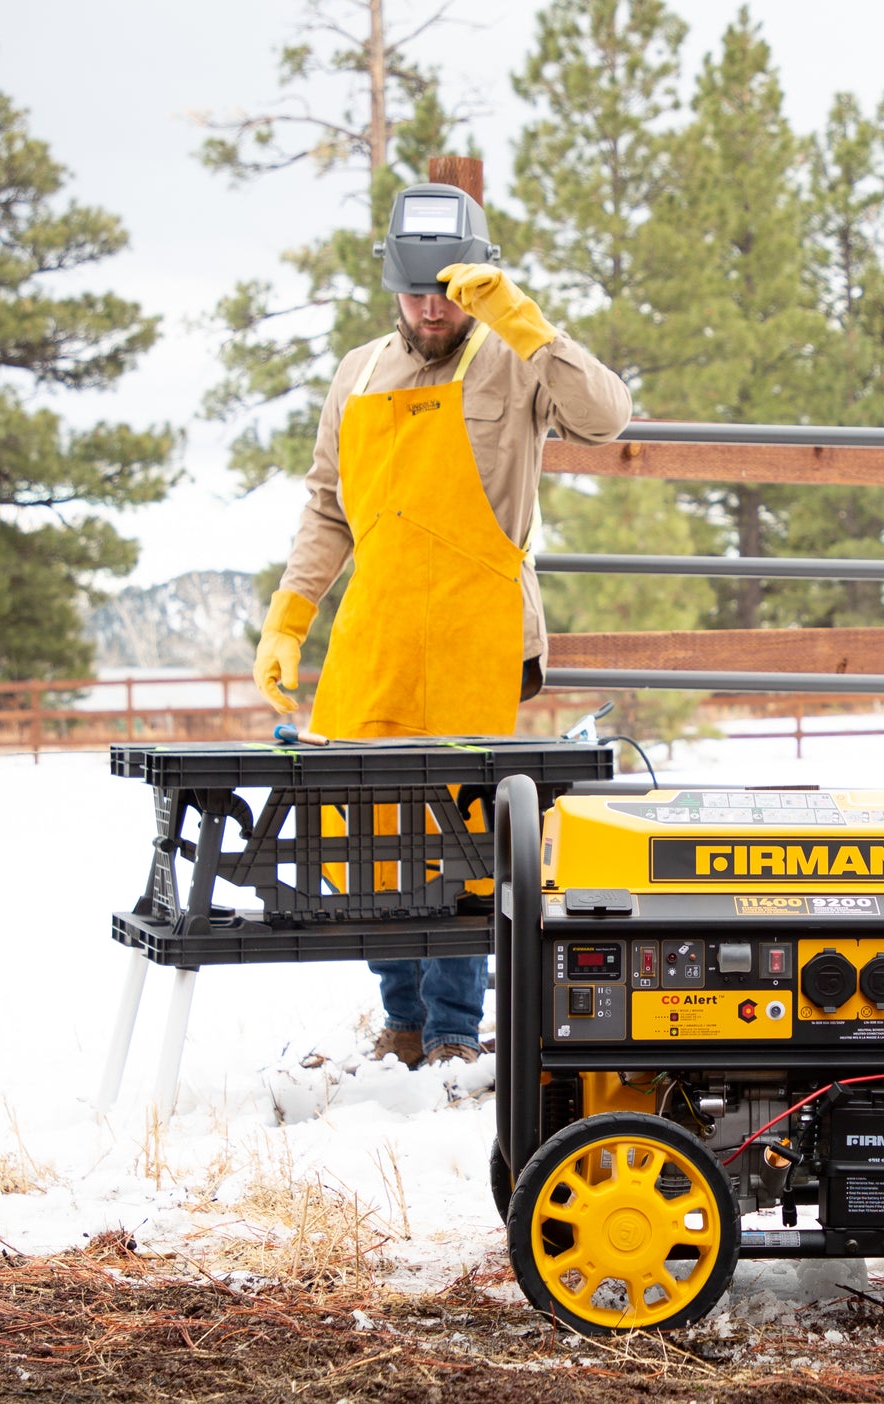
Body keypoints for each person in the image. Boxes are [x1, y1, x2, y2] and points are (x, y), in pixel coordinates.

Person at [253, 182, 632, 1068]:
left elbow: (607, 419)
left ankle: (459, 1034)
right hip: (374, 639)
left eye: (446, 291)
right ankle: (403, 1022)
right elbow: (326, 508)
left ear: (475, 279)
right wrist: (289, 617)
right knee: (376, 837)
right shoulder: (356, 372)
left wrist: (525, 319)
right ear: (393, 286)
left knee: (465, 841)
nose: (431, 310)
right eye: (416, 294)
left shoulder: (512, 356)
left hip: (477, 633)